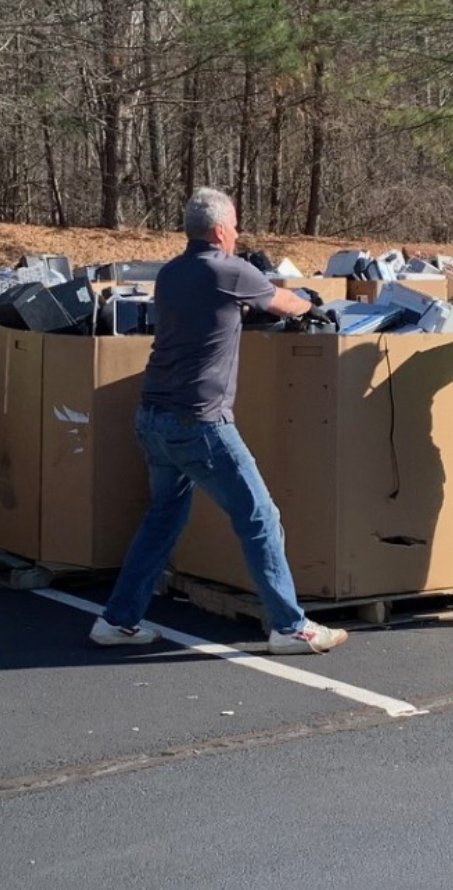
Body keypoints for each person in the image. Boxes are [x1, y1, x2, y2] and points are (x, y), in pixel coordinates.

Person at [91, 188, 347, 655]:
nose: (237, 233)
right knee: (260, 517)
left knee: (163, 518)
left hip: (153, 417)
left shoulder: (171, 274)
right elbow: (285, 304)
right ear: (221, 229)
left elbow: (212, 314)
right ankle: (291, 627)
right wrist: (311, 304)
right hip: (200, 422)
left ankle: (117, 620)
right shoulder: (229, 269)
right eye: (234, 226)